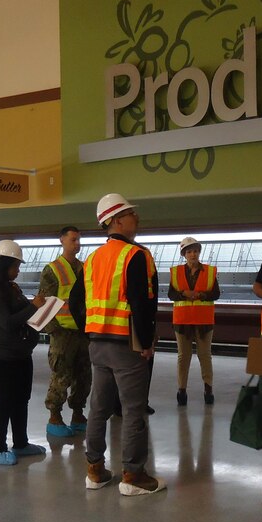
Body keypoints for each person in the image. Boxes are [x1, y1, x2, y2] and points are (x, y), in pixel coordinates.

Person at [69, 193, 165, 495]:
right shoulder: (136, 255)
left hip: (98, 344)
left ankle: (95, 471)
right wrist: (146, 342)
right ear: (117, 220)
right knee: (134, 410)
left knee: (99, 408)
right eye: (132, 213)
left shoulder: (93, 258)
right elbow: (143, 302)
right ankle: (133, 476)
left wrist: (91, 330)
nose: (137, 218)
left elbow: (75, 301)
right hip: (127, 345)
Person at [0, 239, 47, 466]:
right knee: (5, 401)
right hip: (2, 356)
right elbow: (6, 323)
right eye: (15, 266)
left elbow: (23, 314)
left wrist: (42, 309)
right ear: (3, 265)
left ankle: (20, 443)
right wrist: (34, 307)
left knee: (22, 399)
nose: (18, 270)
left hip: (21, 354)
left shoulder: (11, 287)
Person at [39, 226, 91, 437]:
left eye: (79, 240)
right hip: (62, 333)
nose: (77, 243)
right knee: (61, 374)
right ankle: (55, 416)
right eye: (73, 240)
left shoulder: (85, 268)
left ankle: (78, 412)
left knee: (84, 375)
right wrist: (54, 331)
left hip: (82, 331)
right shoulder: (52, 269)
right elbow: (44, 302)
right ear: (62, 240)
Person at [168, 236, 220, 406]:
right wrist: (183, 293)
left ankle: (209, 389)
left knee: (205, 356)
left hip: (204, 322)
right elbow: (171, 295)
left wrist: (202, 295)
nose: (193, 254)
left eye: (195, 251)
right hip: (182, 322)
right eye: (189, 251)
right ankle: (181, 390)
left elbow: (216, 294)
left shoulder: (210, 272)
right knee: (183, 357)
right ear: (184, 254)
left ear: (199, 252)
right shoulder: (176, 272)